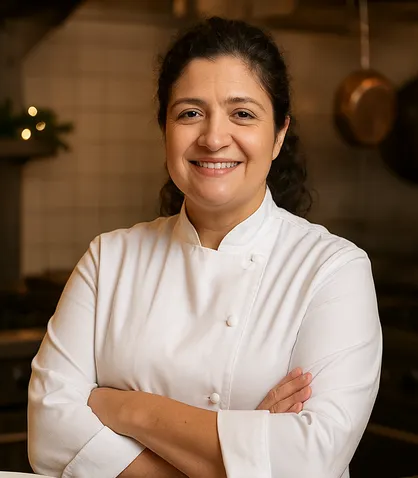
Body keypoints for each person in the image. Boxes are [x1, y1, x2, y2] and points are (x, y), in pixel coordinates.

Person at [28, 16, 382, 478]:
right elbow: (48, 431)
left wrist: (131, 411)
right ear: (165, 132)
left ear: (278, 135)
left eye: (243, 114)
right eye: (190, 113)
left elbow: (312, 458)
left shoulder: (334, 270)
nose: (214, 138)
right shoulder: (108, 259)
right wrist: (246, 441)